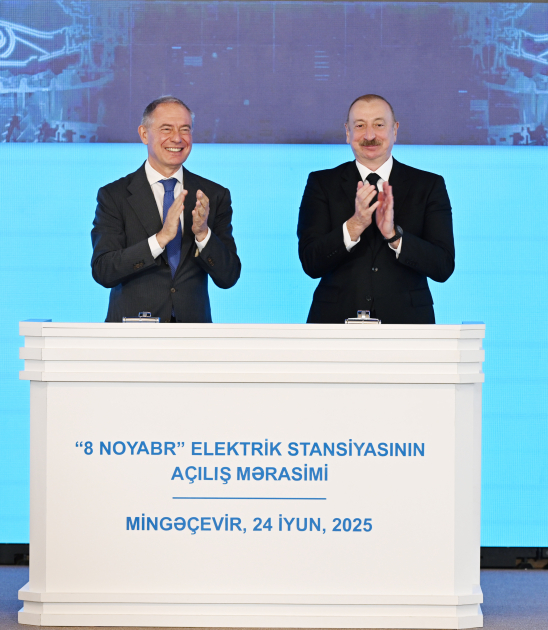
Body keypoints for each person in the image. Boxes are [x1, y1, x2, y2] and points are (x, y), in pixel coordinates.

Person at [297, 94, 454, 324]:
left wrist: (394, 236)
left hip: (408, 326)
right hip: (334, 324)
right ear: (348, 132)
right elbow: (311, 263)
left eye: (379, 125)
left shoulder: (429, 185)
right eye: (360, 126)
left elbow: (443, 266)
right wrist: (355, 225)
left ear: (395, 130)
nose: (369, 136)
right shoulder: (321, 183)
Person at [91, 96, 241, 322]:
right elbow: (104, 271)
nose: (177, 138)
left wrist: (203, 234)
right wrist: (160, 239)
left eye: (185, 129)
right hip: (132, 334)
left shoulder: (213, 195)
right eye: (166, 129)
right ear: (144, 134)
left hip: (192, 334)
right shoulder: (114, 195)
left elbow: (228, 277)